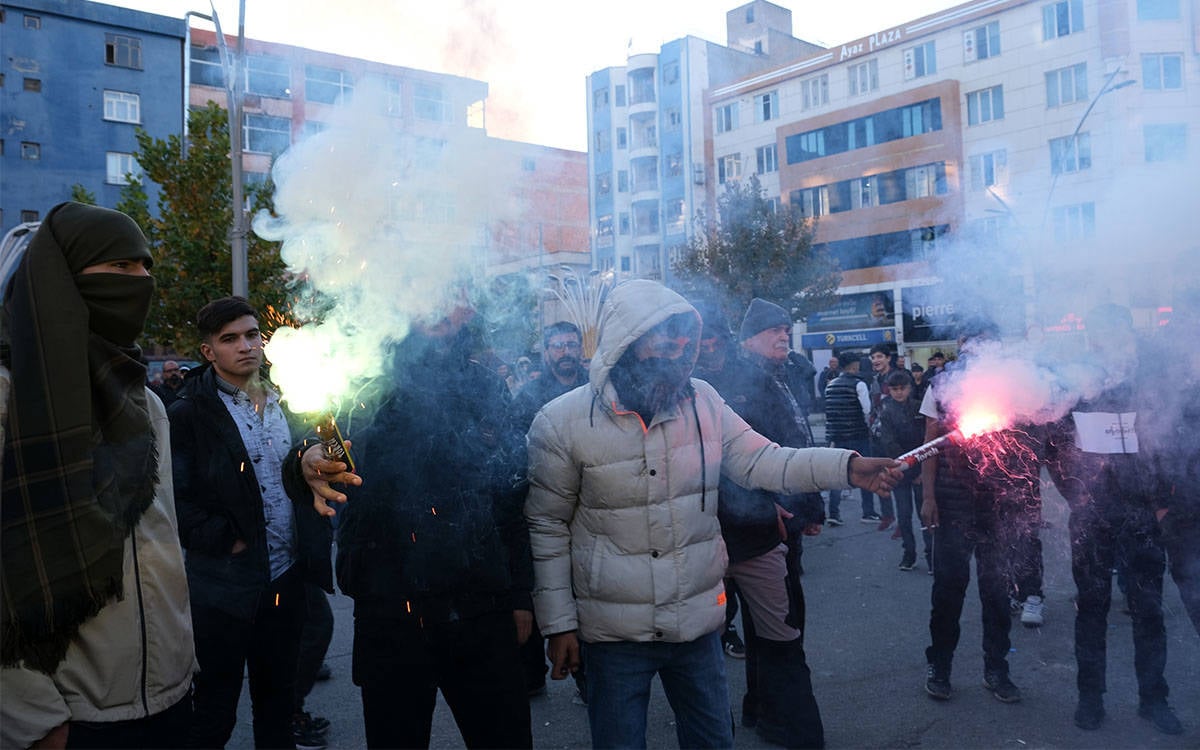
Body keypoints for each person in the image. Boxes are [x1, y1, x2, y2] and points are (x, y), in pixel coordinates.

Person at [524, 280, 902, 749]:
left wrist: (847, 466)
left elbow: (767, 460)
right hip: (613, 633)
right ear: (626, 340)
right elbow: (547, 525)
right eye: (664, 342)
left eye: (686, 343)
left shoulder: (702, 400)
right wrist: (559, 624)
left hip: (698, 623)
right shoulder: (561, 422)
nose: (679, 356)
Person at [1, 202, 195, 749]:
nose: (141, 282)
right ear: (61, 278)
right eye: (119, 268)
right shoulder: (7, 400)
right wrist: (34, 720)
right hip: (69, 720)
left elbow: (162, 543)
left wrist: (183, 660)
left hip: (170, 699)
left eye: (145, 267)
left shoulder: (144, 403)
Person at [330, 301, 534, 749]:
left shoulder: (486, 386)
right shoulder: (359, 386)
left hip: (480, 603)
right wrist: (306, 460)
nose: (440, 303)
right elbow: (312, 453)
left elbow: (511, 495)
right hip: (389, 607)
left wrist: (521, 594)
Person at [169, 296, 337, 749]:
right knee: (214, 710)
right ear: (209, 351)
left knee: (278, 707)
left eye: (251, 335)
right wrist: (228, 541)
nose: (245, 346)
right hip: (223, 587)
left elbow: (325, 459)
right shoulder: (188, 414)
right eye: (230, 339)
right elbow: (174, 499)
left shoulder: (295, 396)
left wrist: (317, 456)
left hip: (287, 575)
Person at [1045, 303, 1182, 735]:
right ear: (1092, 338)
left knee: (1149, 610)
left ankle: (1154, 698)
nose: (1111, 343)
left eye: (1118, 334)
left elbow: (1170, 440)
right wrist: (1076, 495)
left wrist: (1159, 502)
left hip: (1140, 514)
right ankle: (1091, 699)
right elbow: (1053, 445)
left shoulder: (1145, 384)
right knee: (1092, 609)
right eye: (1103, 335)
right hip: (1092, 515)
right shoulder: (1076, 388)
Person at [715, 298, 827, 747]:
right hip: (759, 526)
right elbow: (735, 460)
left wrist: (811, 509)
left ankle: (758, 708)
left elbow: (800, 444)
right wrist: (767, 506)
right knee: (782, 624)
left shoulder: (785, 374)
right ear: (747, 339)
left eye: (786, 328)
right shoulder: (735, 382)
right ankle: (781, 721)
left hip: (784, 517)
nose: (783, 336)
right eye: (772, 331)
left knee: (772, 624)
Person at [919, 320, 1028, 706]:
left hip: (998, 506)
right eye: (971, 342)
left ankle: (997, 669)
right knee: (948, 589)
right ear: (961, 344)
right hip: (952, 505)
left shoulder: (1015, 385)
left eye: (987, 342)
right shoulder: (942, 384)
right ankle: (940, 667)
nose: (977, 349)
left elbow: (1027, 450)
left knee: (997, 592)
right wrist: (928, 496)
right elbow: (929, 442)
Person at [511, 320, 590, 698]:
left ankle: (586, 673)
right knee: (537, 581)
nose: (565, 352)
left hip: (587, 501)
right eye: (557, 346)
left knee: (583, 587)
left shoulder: (597, 390)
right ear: (546, 352)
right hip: (540, 498)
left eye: (571, 345)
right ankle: (530, 673)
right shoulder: (529, 396)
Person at [690, 298, 747, 661]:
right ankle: (722, 630)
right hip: (702, 493)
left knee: (741, 572)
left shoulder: (743, 374)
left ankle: (730, 626)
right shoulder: (689, 382)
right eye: (703, 341)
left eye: (715, 340)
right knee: (714, 578)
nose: (710, 348)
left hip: (745, 490)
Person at [875, 369, 930, 571]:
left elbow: (928, 440)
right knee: (904, 516)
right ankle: (909, 554)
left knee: (926, 516)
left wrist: (923, 470)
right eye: (894, 389)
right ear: (889, 390)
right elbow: (889, 443)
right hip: (900, 472)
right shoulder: (886, 412)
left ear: (909, 388)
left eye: (902, 388)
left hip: (922, 470)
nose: (898, 393)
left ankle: (931, 554)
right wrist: (908, 469)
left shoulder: (920, 408)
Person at [823, 351, 877, 525]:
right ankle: (868, 512)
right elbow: (867, 410)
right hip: (858, 435)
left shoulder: (830, 386)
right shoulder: (858, 384)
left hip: (837, 436)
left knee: (838, 473)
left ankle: (833, 513)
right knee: (865, 471)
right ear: (855, 365)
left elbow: (828, 412)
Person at [866, 344, 898, 529]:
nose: (876, 360)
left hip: (894, 434)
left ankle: (905, 524)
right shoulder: (874, 379)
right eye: (873, 357)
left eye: (879, 356)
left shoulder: (897, 377)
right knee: (880, 475)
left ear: (888, 358)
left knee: (899, 478)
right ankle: (887, 515)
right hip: (876, 434)